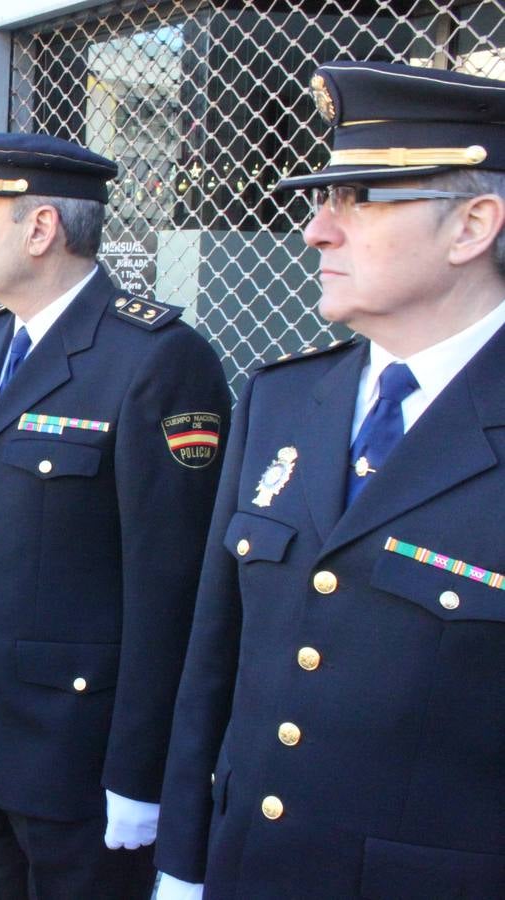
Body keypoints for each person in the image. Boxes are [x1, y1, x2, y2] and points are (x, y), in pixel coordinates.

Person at [154, 61, 505, 900]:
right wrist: (183, 858)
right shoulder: (282, 398)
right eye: (324, 200)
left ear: (474, 226)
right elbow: (216, 655)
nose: (316, 231)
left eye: (360, 199)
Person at [0, 132, 231, 898]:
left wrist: (143, 775)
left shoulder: (156, 357)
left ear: (40, 229)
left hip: (77, 764)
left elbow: (172, 593)